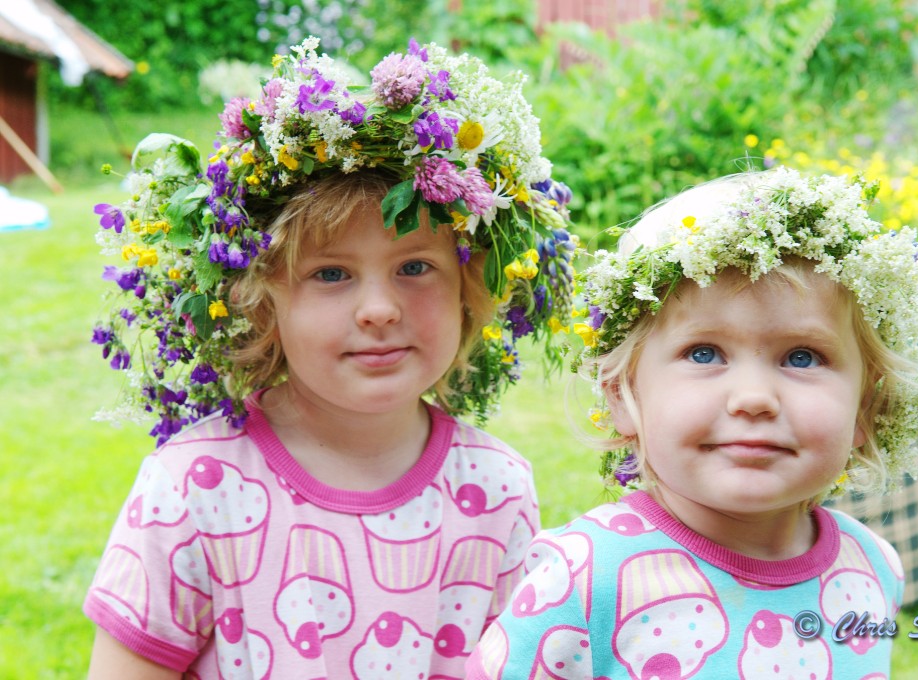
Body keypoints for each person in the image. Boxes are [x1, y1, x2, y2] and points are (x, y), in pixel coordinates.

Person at [84, 37, 577, 679]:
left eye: (415, 267)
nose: (380, 309)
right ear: (263, 303)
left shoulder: (497, 489)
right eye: (331, 274)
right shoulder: (193, 488)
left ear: (469, 290)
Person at [466, 168, 918, 679]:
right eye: (704, 353)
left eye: (802, 357)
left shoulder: (872, 566)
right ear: (622, 392)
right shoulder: (584, 581)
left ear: (865, 407)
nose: (754, 398)